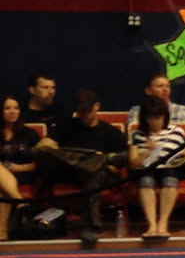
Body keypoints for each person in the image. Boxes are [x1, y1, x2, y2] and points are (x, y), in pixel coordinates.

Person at [33, 90, 129, 244]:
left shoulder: (111, 132)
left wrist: (101, 164)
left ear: (97, 106)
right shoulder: (66, 126)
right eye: (80, 111)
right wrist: (63, 153)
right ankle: (92, 159)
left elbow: (120, 163)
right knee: (45, 152)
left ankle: (91, 227)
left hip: (100, 174)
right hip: (70, 170)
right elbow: (42, 147)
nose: (84, 114)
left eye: (87, 110)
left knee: (95, 174)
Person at [127, 97, 185, 239]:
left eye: (158, 118)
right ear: (144, 118)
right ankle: (152, 225)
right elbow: (133, 164)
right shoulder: (137, 135)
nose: (154, 122)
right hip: (147, 169)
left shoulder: (177, 132)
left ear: (165, 117)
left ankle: (163, 223)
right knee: (145, 180)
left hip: (171, 168)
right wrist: (147, 152)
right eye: (150, 118)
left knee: (170, 178)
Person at [0, 96, 39, 240]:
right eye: (7, 108)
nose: (12, 111)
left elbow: (40, 163)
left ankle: (2, 231)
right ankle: (20, 201)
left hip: (24, 174)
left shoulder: (30, 134)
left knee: (2, 189)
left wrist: (19, 168)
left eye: (16, 108)